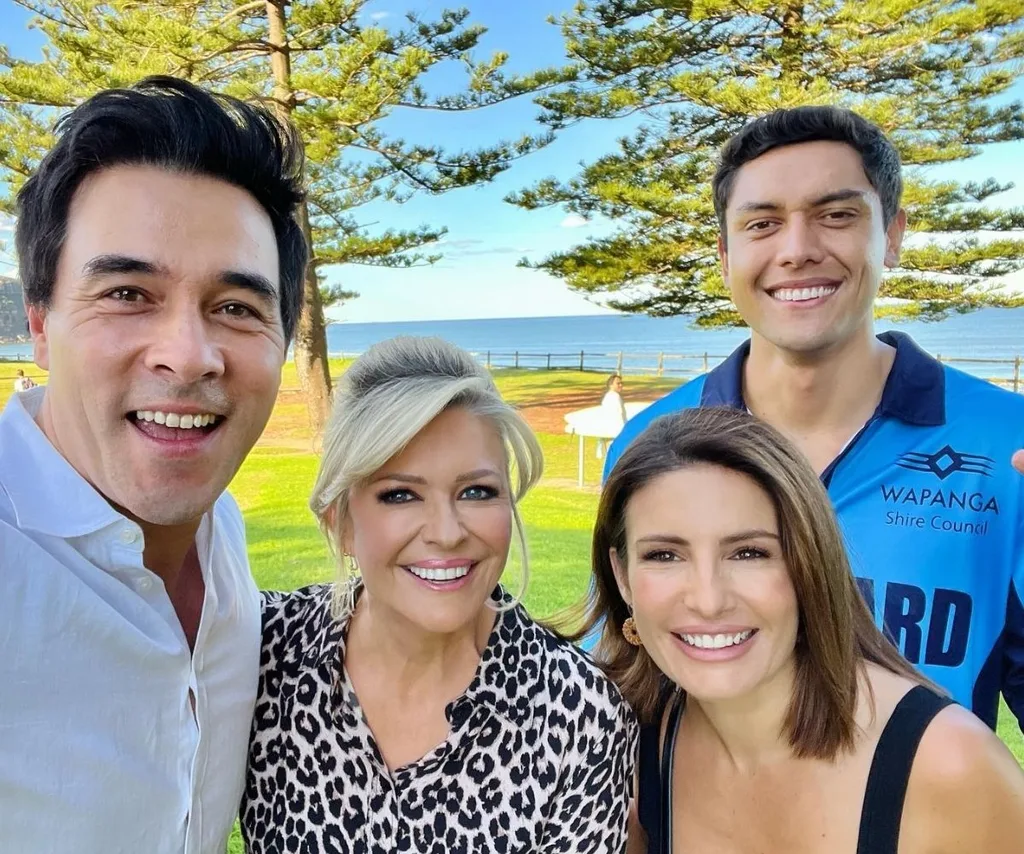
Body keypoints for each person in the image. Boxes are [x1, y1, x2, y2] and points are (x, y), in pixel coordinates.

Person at [603, 106, 1024, 731]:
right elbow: (625, 680)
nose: (797, 250)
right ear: (725, 255)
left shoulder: (1007, 445)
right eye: (762, 224)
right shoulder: (647, 444)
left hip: (924, 796)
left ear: (892, 235)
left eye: (836, 215)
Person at [0, 76, 307, 852]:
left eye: (236, 307)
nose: (189, 356)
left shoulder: (221, 532)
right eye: (128, 293)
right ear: (41, 326)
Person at [241, 336, 637, 854]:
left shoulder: (578, 713)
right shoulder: (262, 650)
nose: (447, 533)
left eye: (476, 492)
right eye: (400, 495)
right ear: (340, 523)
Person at [587, 407, 1024, 854]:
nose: (708, 599)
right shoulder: (619, 747)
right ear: (622, 576)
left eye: (749, 553)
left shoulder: (948, 766)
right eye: (663, 555)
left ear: (808, 563)